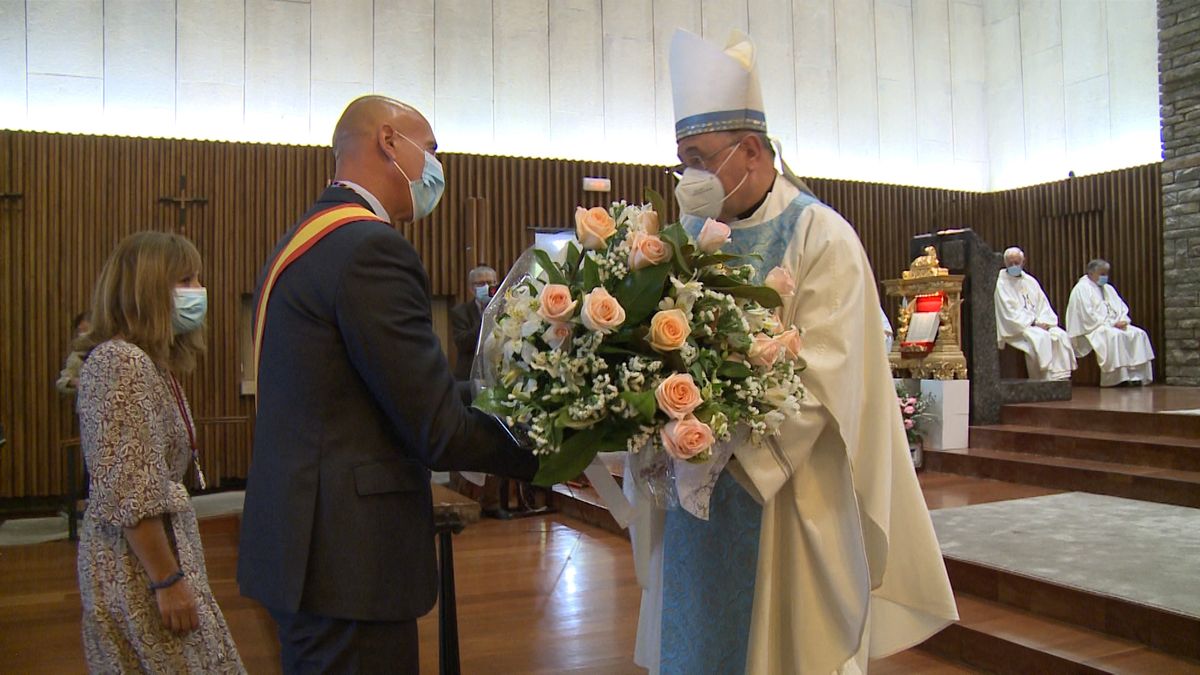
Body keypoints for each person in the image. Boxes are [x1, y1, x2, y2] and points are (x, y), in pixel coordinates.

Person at [624, 29, 957, 675]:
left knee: (777, 650)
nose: (689, 175)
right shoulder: (690, 232)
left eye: (700, 156)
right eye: (682, 158)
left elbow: (829, 368)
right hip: (695, 482)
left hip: (781, 489)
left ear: (751, 150)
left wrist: (721, 440)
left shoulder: (820, 235)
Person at [237, 95, 538, 674]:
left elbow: (390, 389)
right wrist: (549, 448)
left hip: (306, 546)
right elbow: (435, 427)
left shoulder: (303, 240)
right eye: (431, 148)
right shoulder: (370, 248)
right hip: (348, 563)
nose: (434, 168)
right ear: (387, 141)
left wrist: (510, 395)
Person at [66, 231, 244, 673]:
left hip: (149, 563)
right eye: (184, 279)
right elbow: (131, 492)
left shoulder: (145, 362)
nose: (197, 291)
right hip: (138, 571)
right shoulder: (120, 363)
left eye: (197, 278)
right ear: (146, 290)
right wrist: (167, 579)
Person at [1066, 258, 1155, 386]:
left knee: (1139, 334)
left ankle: (1136, 376)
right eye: (1102, 274)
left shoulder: (1109, 289)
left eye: (1106, 274)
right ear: (1091, 273)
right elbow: (1087, 315)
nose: (1105, 277)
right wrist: (1112, 324)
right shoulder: (1081, 289)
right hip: (1094, 328)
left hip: (1113, 324)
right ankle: (1118, 379)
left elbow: (1121, 307)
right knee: (1115, 336)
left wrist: (1123, 320)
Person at [994, 247, 1077, 381]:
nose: (1014, 266)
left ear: (1023, 262)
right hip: (1017, 328)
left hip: (1037, 323)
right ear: (1005, 263)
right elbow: (1008, 312)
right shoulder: (1001, 283)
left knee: (1060, 335)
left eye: (1017, 262)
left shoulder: (1030, 281)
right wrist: (1033, 323)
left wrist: (1045, 322)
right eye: (1011, 264)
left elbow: (1043, 305)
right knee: (1040, 338)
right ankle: (1042, 379)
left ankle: (1060, 377)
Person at [450, 264, 497, 380]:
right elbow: (463, 343)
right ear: (471, 288)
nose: (486, 287)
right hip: (469, 375)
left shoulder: (505, 308)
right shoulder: (460, 312)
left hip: (496, 373)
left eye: (490, 283)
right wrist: (486, 318)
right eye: (481, 284)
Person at [55, 312, 91, 395]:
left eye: (86, 331)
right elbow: (62, 382)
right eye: (80, 332)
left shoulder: (111, 350)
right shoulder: (77, 356)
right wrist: (75, 382)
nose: (82, 336)